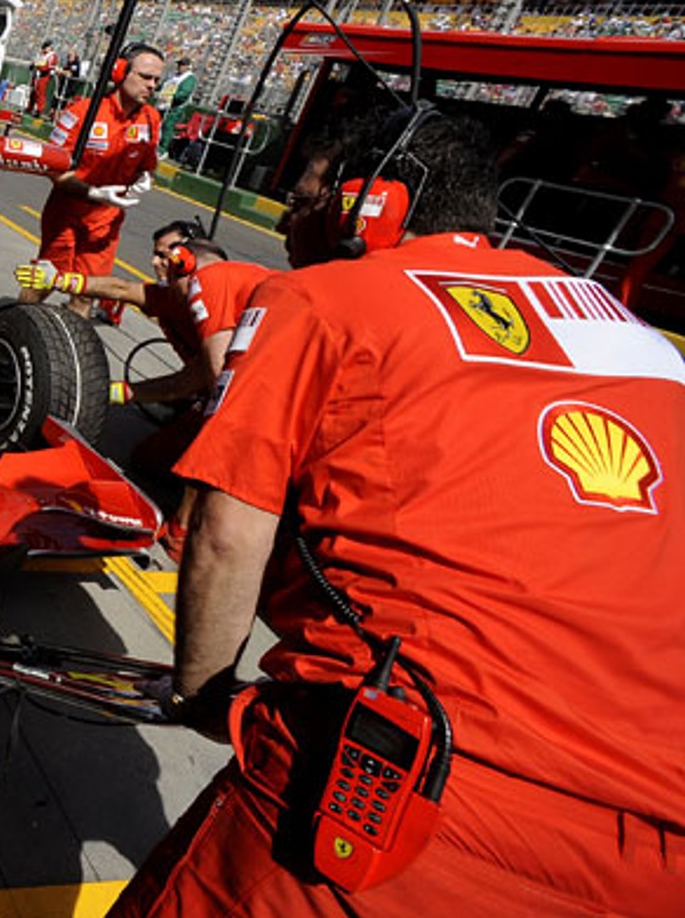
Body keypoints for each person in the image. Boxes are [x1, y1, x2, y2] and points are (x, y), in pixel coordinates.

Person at [111, 114, 685, 917]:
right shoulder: (647, 343)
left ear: (368, 203)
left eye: (306, 196)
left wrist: (204, 697)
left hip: (404, 793)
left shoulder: (323, 297)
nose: (286, 217)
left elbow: (226, 530)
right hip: (653, 851)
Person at [17, 218, 269, 553]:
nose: (156, 263)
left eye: (166, 255)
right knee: (149, 459)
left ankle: (184, 534)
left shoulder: (212, 281)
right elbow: (122, 289)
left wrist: (125, 392)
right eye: (156, 254)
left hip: (247, 401)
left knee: (212, 432)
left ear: (188, 257)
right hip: (220, 388)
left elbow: (210, 379)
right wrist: (60, 280)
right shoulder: (177, 294)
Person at [19, 43, 165, 313]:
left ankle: (73, 347)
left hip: (106, 225)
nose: (152, 85)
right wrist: (93, 193)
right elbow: (53, 169)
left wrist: (146, 179)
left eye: (157, 80)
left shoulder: (152, 119)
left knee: (86, 293)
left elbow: (149, 167)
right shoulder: (81, 113)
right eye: (145, 77)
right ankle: (13, 325)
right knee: (43, 282)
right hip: (66, 217)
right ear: (120, 72)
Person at [31, 41, 59, 117]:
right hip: (37, 75)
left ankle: (39, 110)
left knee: (41, 93)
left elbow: (48, 66)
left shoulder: (51, 56)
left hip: (44, 75)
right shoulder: (42, 55)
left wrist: (39, 66)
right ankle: (31, 107)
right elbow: (36, 63)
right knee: (34, 92)